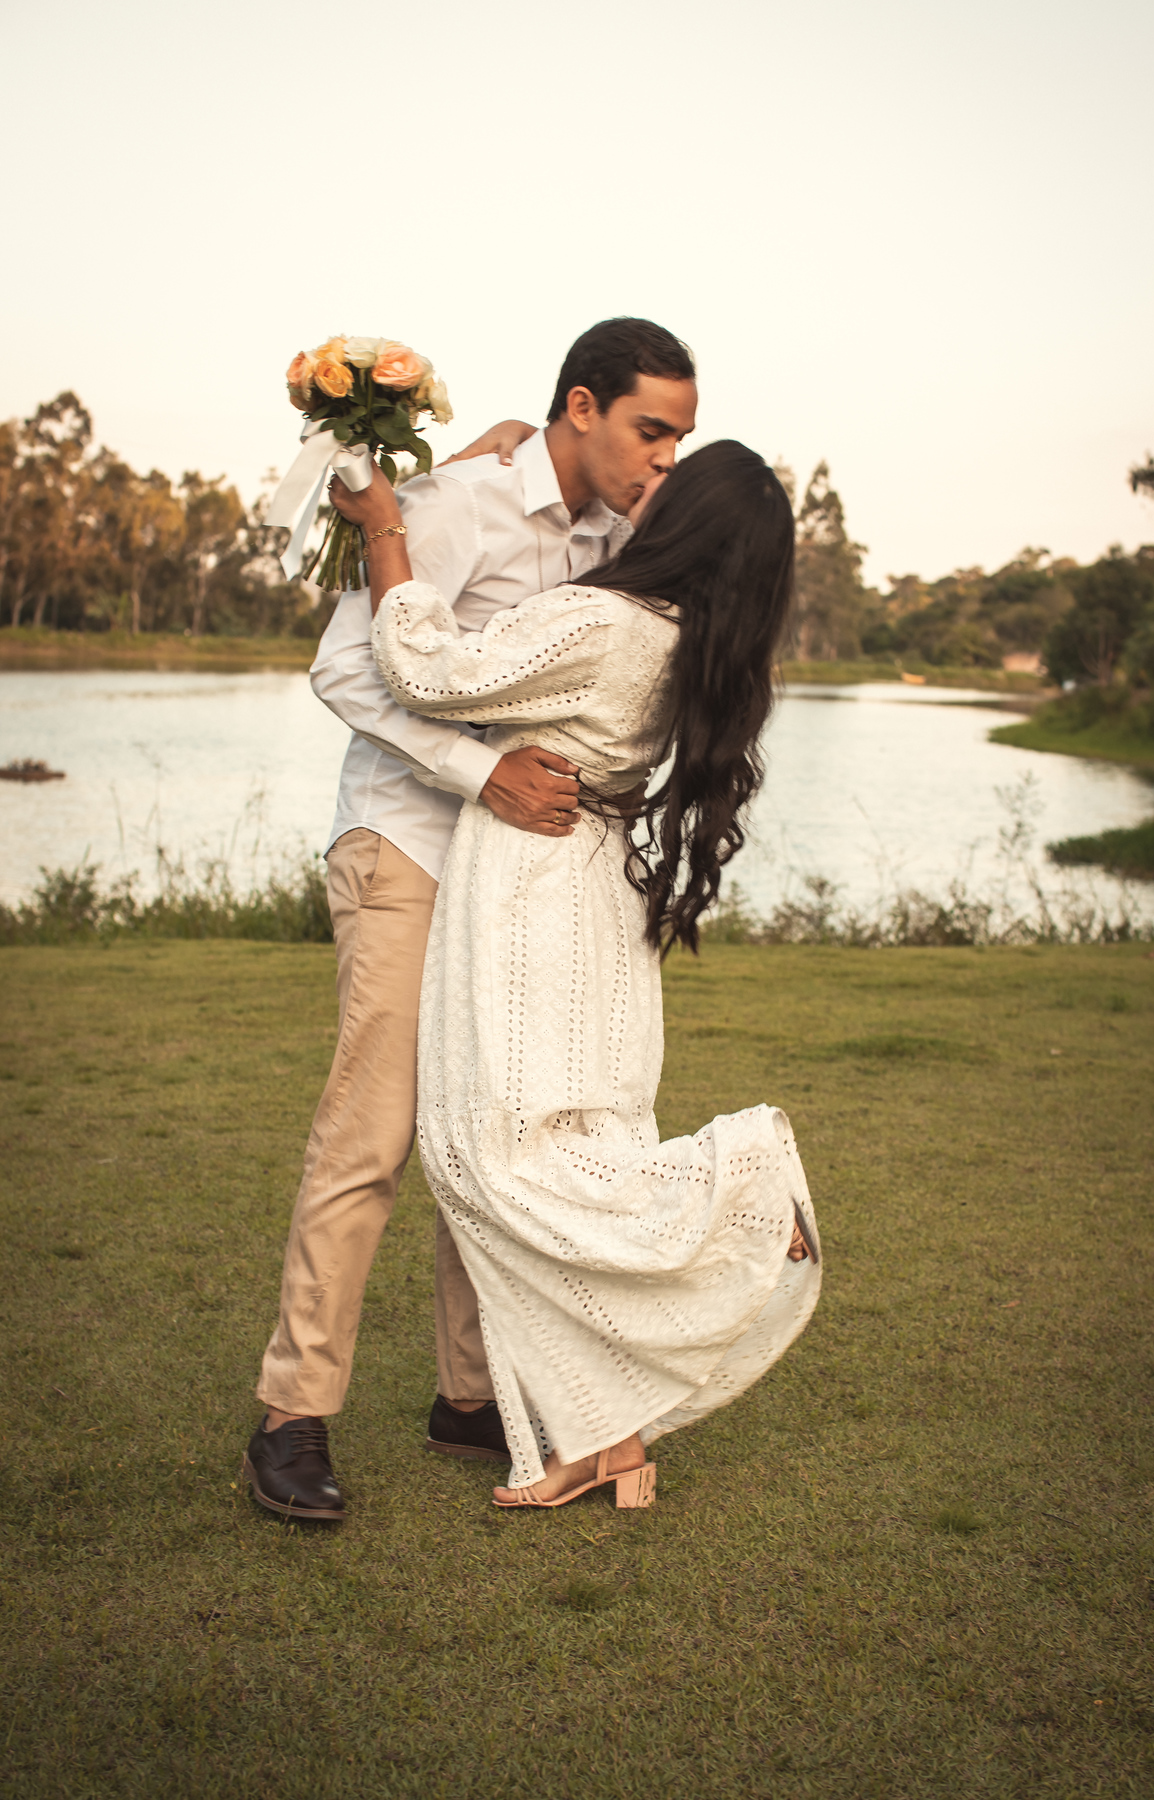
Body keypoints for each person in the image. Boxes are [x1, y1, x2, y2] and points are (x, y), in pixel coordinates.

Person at [243, 319, 698, 1520]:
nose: (664, 460)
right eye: (651, 430)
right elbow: (346, 668)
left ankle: (468, 1395)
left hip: (518, 883)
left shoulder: (620, 539)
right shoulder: (459, 504)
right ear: (584, 406)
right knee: (375, 1129)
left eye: (680, 442)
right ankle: (291, 1418)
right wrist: (475, 772)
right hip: (407, 844)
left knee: (491, 1132)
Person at [328, 437, 821, 1509]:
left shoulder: (605, 621)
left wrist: (384, 530)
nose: (652, 478)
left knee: (487, 1153)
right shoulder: (694, 642)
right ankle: (607, 1438)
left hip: (529, 885)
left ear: (685, 519)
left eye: (670, 479)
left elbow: (425, 672)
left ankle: (747, 1172)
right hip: (600, 888)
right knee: (582, 1133)